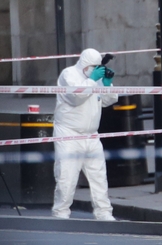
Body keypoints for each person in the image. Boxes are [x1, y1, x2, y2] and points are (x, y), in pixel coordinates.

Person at [51, 48, 118, 221]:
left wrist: (107, 83)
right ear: (84, 64)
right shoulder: (69, 75)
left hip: (91, 135)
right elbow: (75, 97)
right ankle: (61, 212)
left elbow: (108, 101)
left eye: (98, 67)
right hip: (69, 134)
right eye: (93, 67)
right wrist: (92, 80)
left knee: (99, 176)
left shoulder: (93, 80)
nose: (95, 70)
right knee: (66, 176)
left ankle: (103, 211)